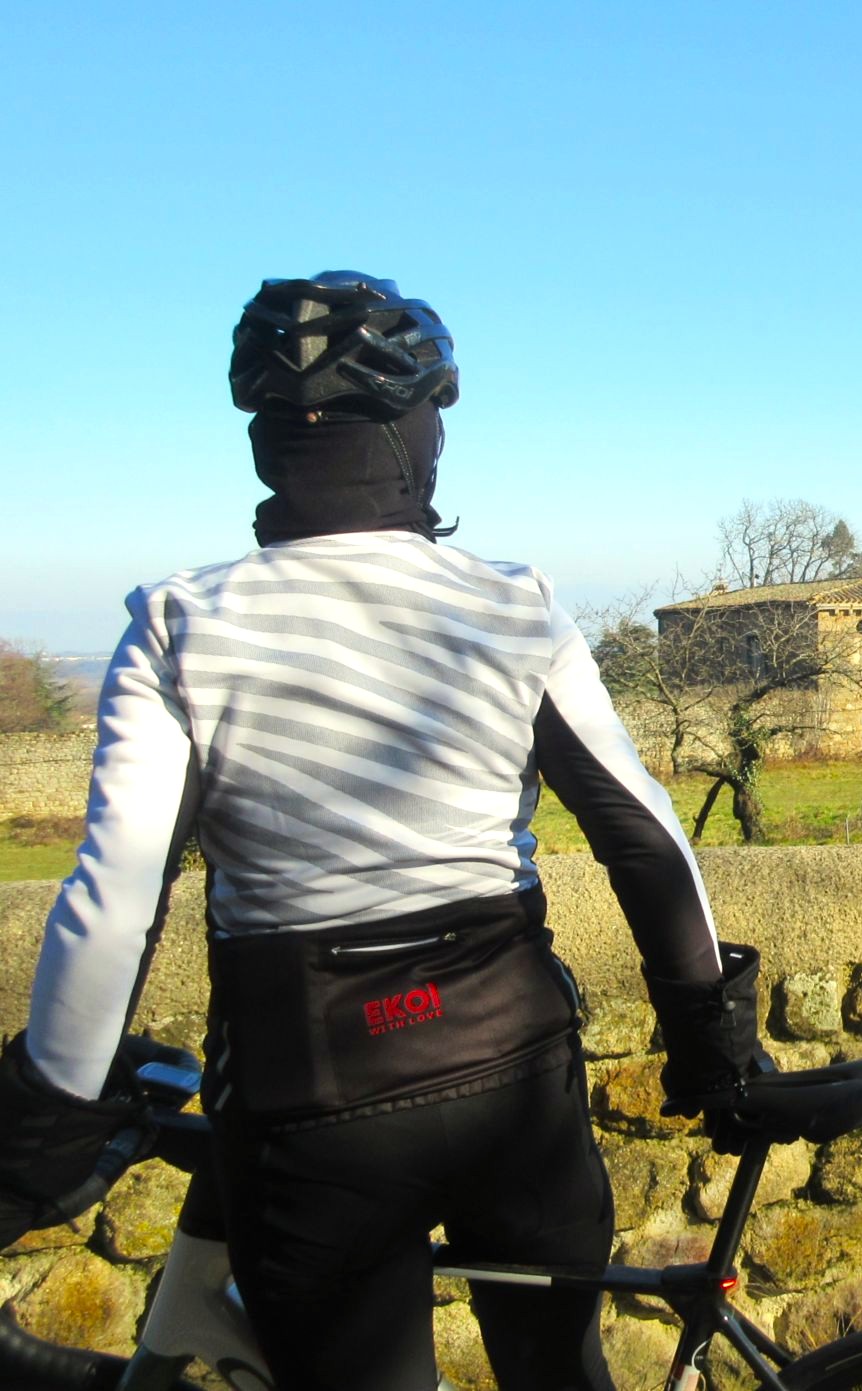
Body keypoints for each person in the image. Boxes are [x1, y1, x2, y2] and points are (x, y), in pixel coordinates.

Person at [0, 272, 768, 1391]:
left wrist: (50, 1120)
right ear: (417, 434)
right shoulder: (509, 605)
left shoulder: (180, 623)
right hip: (516, 1086)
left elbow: (118, 894)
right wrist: (713, 1047)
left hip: (314, 1108)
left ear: (265, 443)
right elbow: (641, 836)